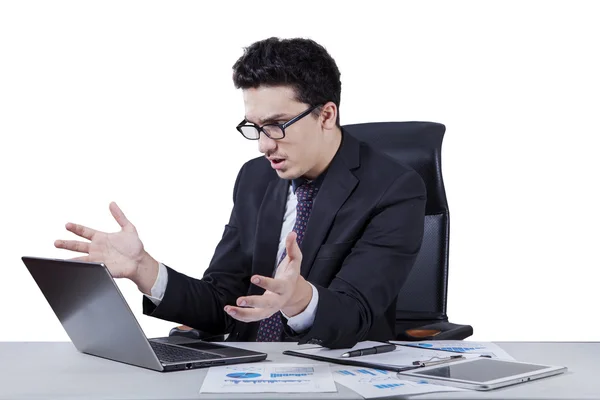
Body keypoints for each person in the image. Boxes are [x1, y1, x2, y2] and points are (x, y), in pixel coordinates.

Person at [54, 37, 426, 349]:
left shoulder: (393, 188)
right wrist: (145, 270)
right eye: (255, 127)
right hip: (246, 366)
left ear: (326, 115)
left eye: (277, 125)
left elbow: (355, 316)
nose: (264, 145)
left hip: (333, 372)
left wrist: (299, 299)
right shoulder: (255, 178)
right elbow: (221, 302)